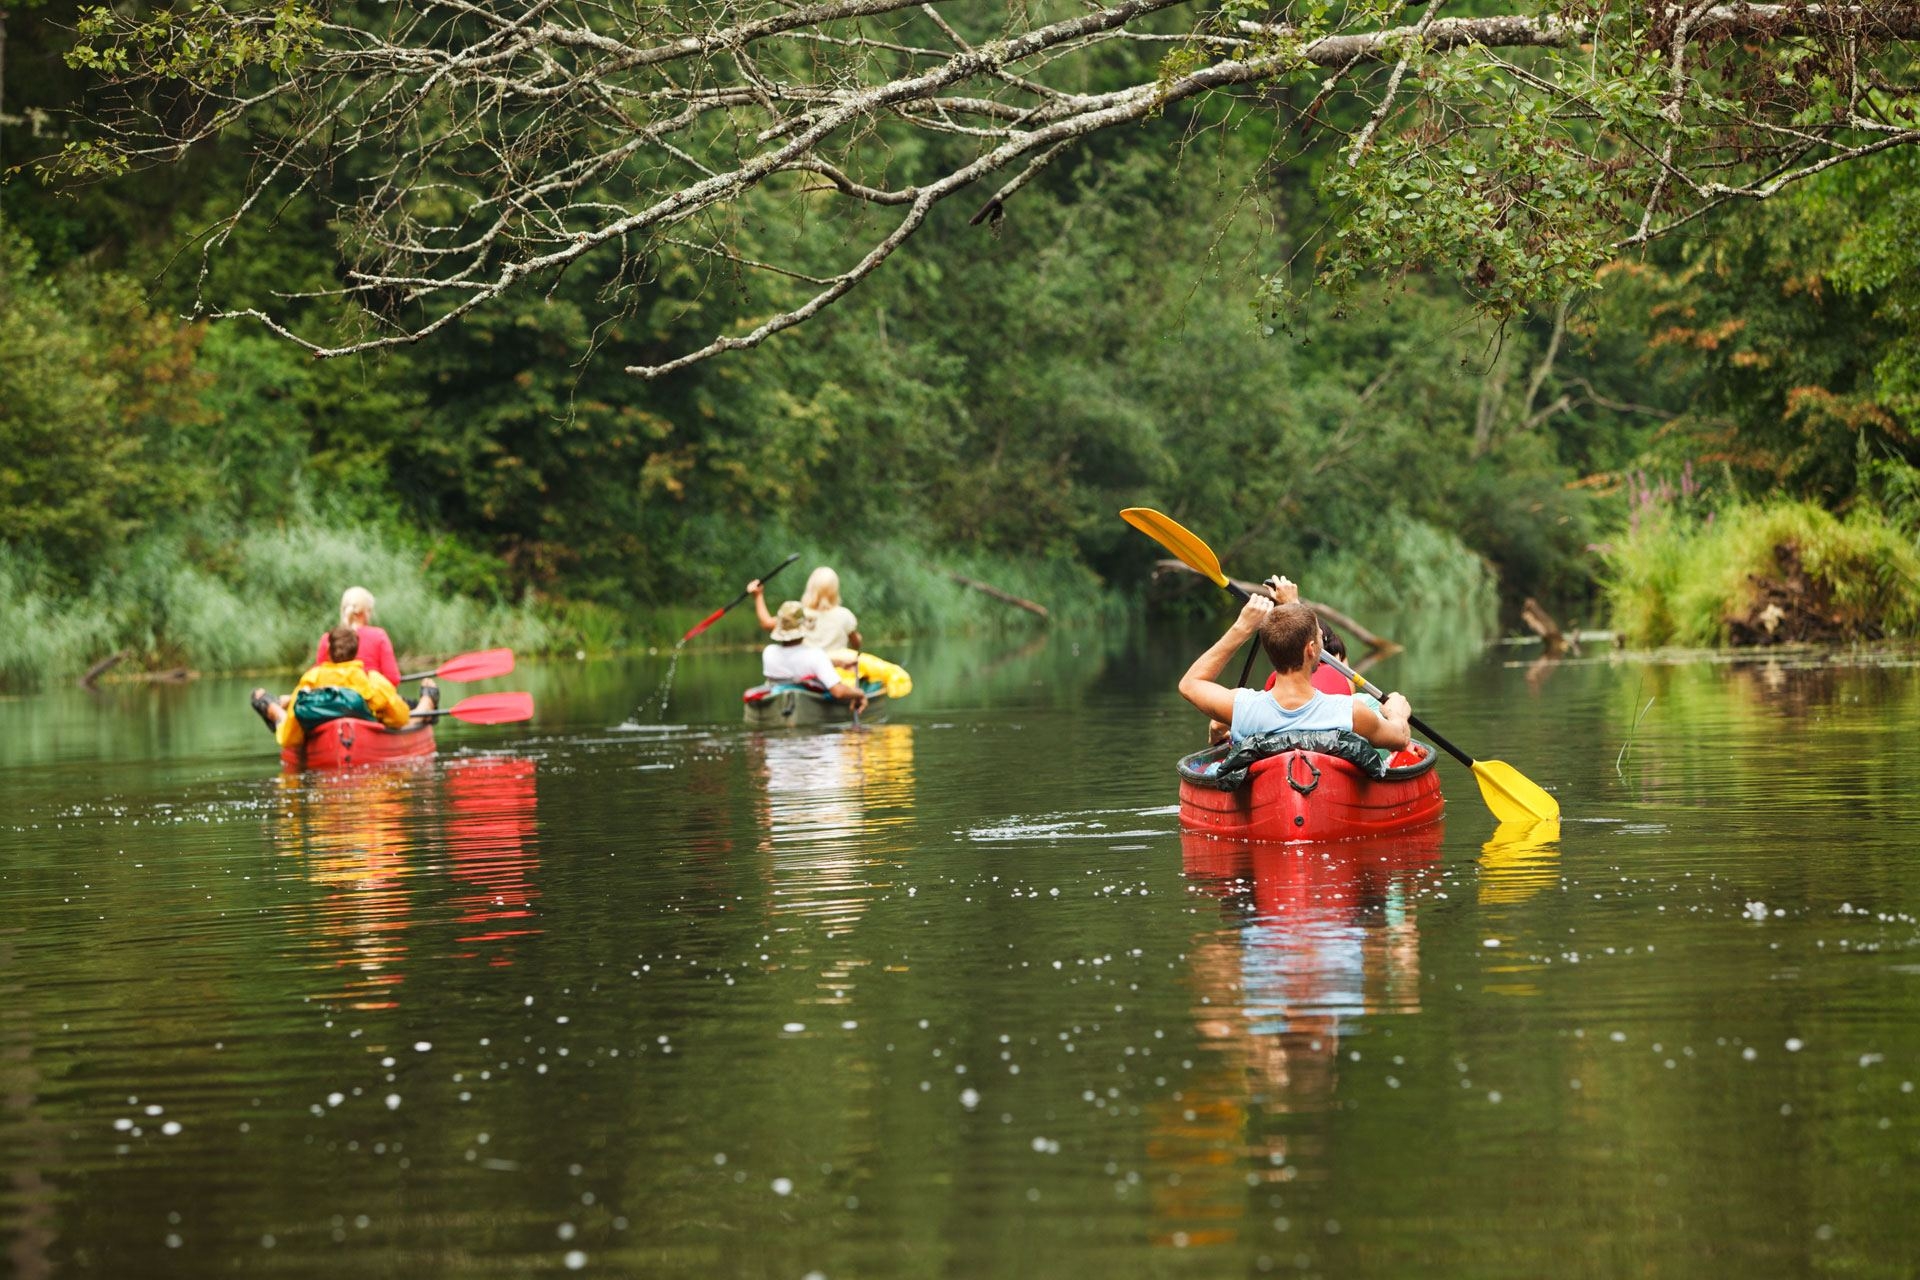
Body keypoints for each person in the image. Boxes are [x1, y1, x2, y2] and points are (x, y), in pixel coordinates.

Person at [1180, 575, 1410, 751]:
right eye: (1319, 637)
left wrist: (1242, 628)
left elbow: (1189, 684)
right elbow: (1400, 739)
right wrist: (1396, 712)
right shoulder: (1350, 713)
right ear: (1312, 650)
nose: (1322, 639)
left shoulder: (1242, 707)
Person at [252, 625, 438, 748]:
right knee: (408, 716)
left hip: (320, 743)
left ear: (327, 651)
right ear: (357, 651)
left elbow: (289, 736)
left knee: (281, 714)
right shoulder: (372, 682)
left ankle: (273, 708)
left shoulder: (310, 680)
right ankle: (427, 702)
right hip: (365, 741)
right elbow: (400, 718)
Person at [761, 601, 868, 714]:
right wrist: (859, 693)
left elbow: (795, 661)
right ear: (803, 627)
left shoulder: (769, 652)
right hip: (806, 707)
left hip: (778, 700)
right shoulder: (816, 655)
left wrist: (837, 663)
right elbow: (838, 692)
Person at [749, 566, 862, 654]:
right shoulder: (845, 615)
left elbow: (766, 623)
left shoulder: (798, 613)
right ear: (835, 590)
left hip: (806, 673)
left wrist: (758, 596)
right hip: (837, 673)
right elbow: (856, 644)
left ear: (811, 587)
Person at [319, 586, 403, 686]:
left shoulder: (328, 638)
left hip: (337, 698)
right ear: (367, 612)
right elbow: (393, 679)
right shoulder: (379, 635)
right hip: (370, 699)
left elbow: (319, 676)